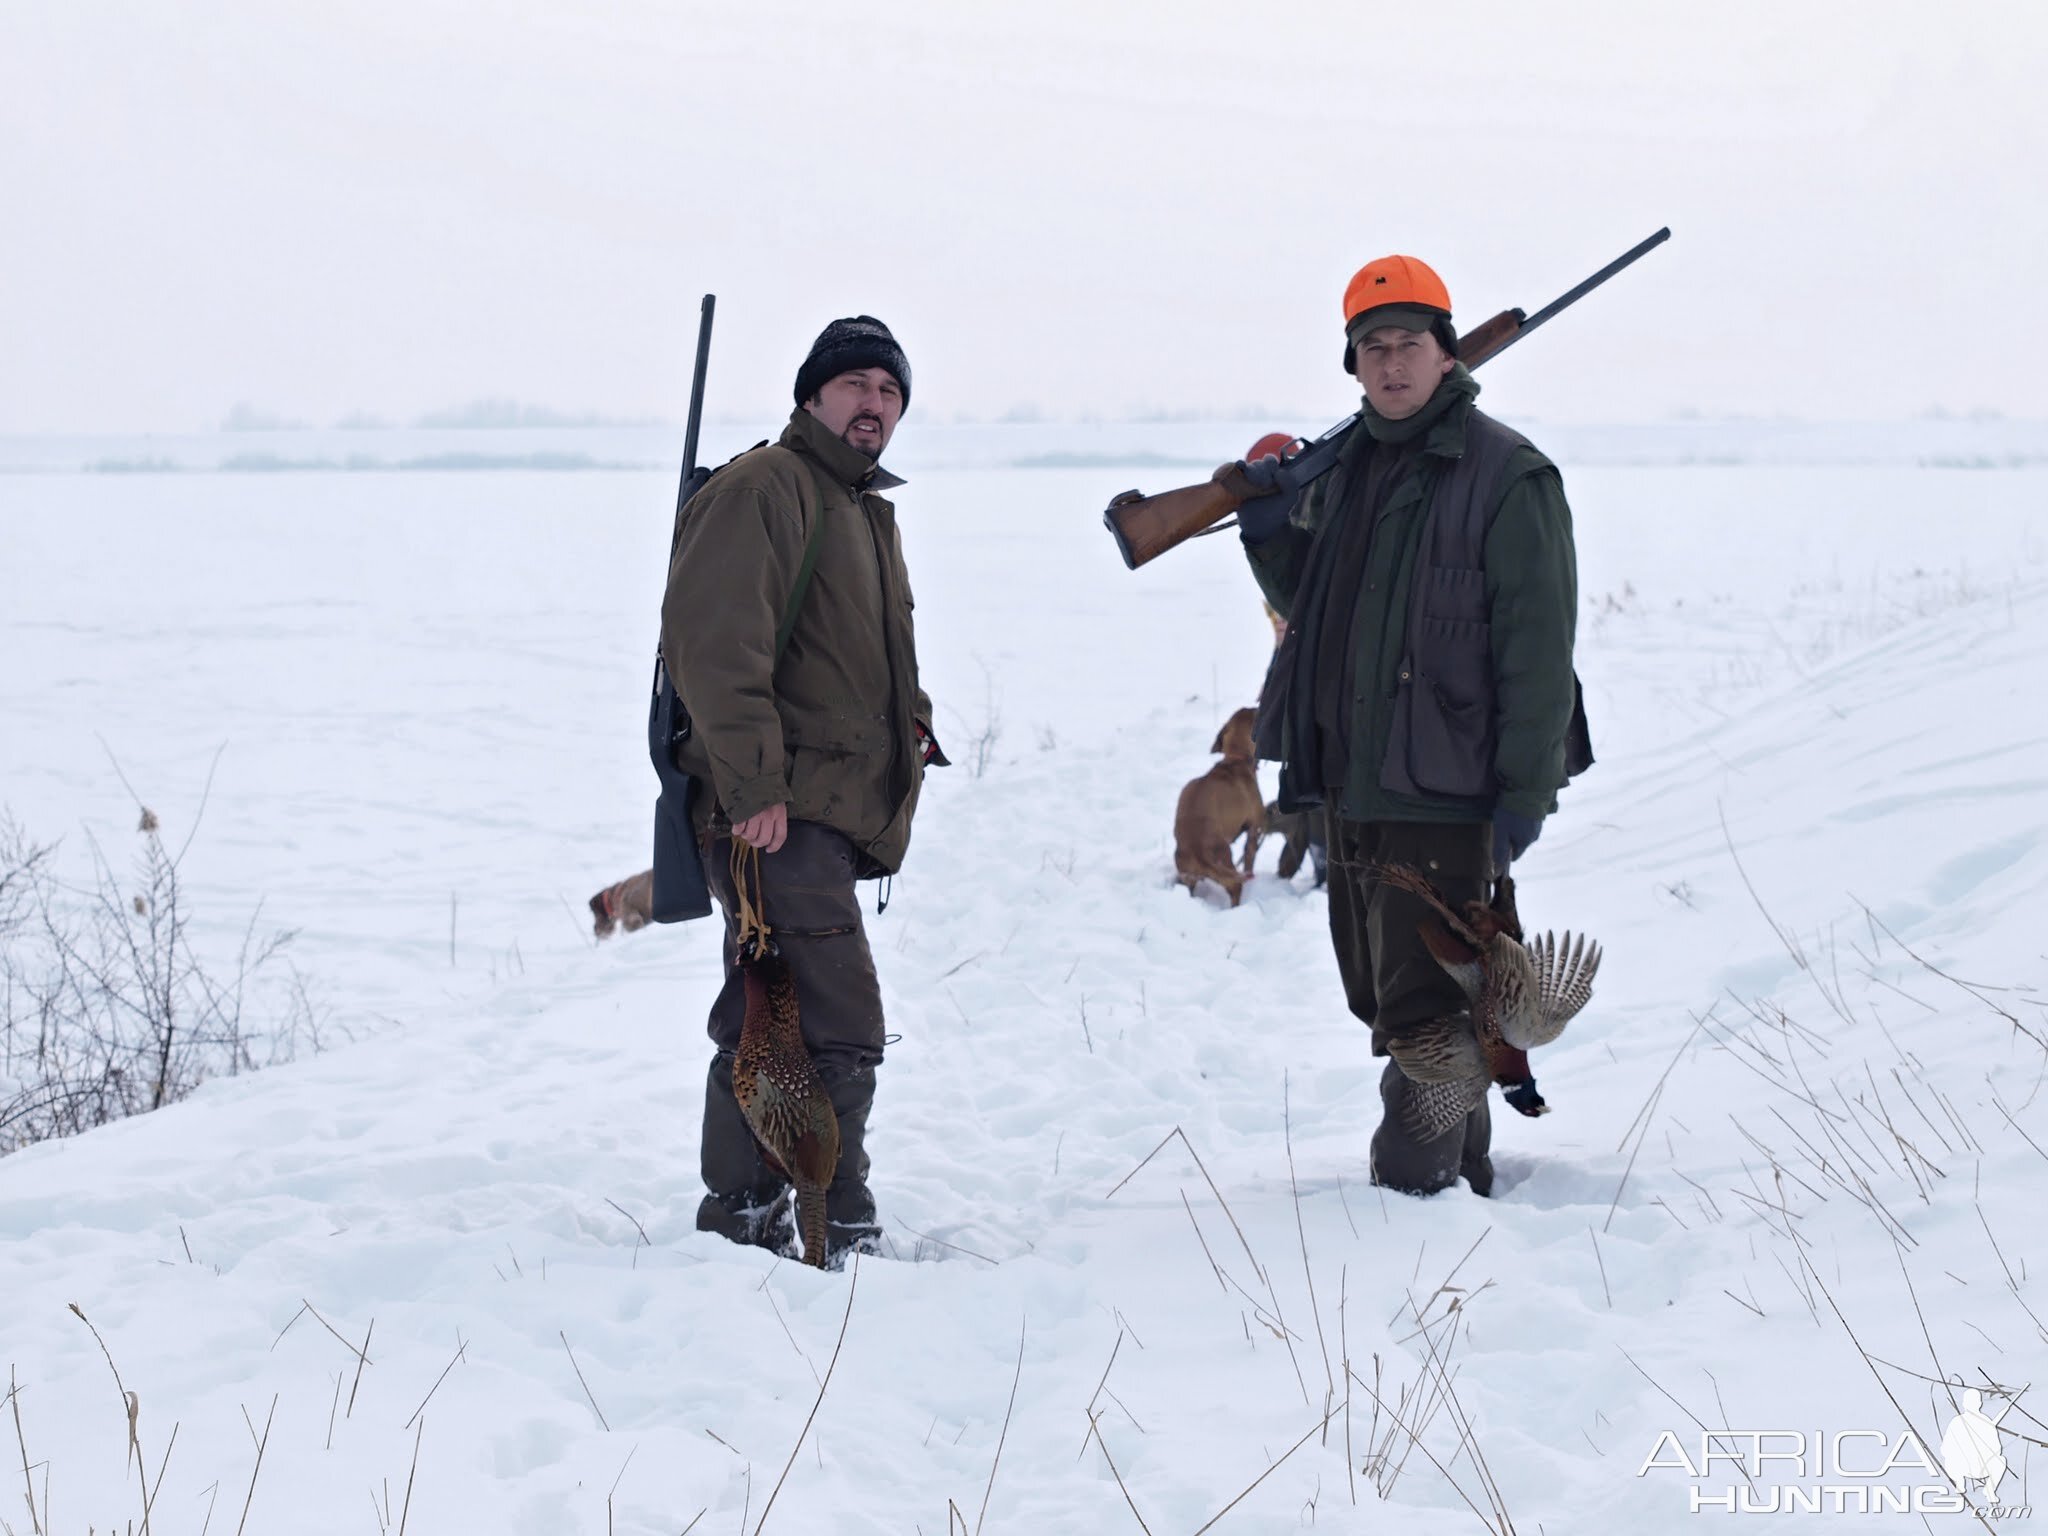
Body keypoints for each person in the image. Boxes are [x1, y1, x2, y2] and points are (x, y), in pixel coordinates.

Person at [1234, 255, 1588, 1197]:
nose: (1392, 365)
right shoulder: (1348, 469)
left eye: (1410, 345)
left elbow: (1539, 651)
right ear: (1354, 367)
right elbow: (1316, 610)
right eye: (1373, 348)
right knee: (1396, 1001)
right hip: (1353, 783)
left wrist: (1522, 795)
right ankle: (1463, 1181)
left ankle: (1414, 1198)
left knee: (1429, 1010)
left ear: (1447, 354)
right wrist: (1271, 534)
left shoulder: (1509, 476)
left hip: (1449, 789)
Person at [661, 315, 944, 1259]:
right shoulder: (766, 490)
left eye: (890, 391)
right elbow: (714, 646)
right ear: (812, 396)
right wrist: (752, 788)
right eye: (857, 385)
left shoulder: (859, 504)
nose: (875, 404)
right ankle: (834, 1219)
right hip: (776, 817)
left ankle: (748, 1218)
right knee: (836, 1023)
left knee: (771, 1012)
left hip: (813, 810)